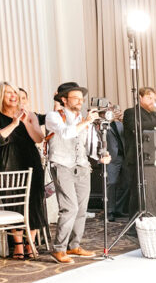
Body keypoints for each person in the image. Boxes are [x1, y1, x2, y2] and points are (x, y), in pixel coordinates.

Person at [45, 82, 106, 264]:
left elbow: (90, 142)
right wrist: (86, 122)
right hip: (62, 165)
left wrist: (101, 155)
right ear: (64, 99)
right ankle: (59, 249)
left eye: (82, 98)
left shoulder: (82, 118)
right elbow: (65, 133)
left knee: (81, 209)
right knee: (69, 207)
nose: (80, 101)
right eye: (76, 98)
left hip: (82, 166)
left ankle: (74, 245)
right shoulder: (53, 116)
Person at [0, 82, 46, 258]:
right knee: (16, 202)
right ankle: (18, 245)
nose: (13, 96)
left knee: (34, 202)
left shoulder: (30, 114)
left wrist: (27, 122)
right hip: (7, 164)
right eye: (8, 93)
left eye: (14, 93)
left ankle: (30, 243)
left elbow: (39, 138)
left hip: (30, 162)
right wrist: (14, 122)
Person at [117, 87, 156, 217]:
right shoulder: (131, 113)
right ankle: (134, 225)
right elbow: (135, 126)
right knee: (137, 194)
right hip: (136, 159)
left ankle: (151, 220)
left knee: (153, 192)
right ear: (140, 97)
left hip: (154, 160)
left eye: (154, 99)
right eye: (149, 98)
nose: (152, 101)